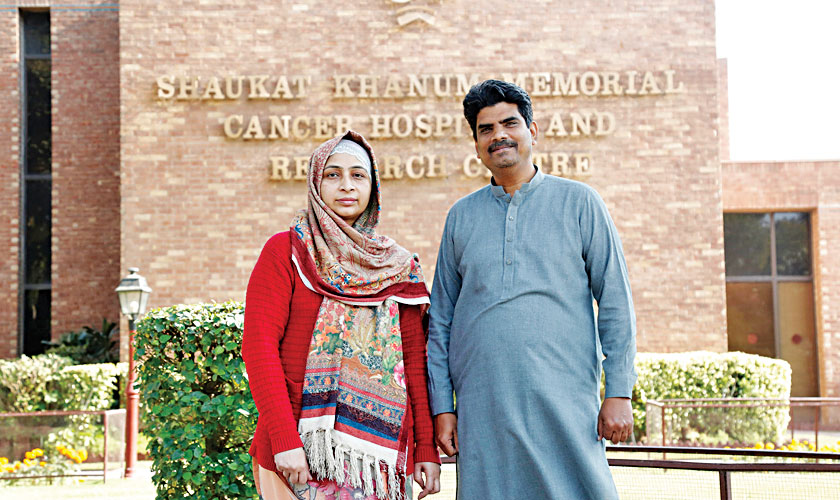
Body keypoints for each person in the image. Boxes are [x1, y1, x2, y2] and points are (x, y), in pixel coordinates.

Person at [426, 79, 637, 499]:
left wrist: (619, 392)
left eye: (510, 123)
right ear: (476, 144)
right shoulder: (460, 218)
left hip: (564, 399)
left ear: (532, 132)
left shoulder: (580, 203)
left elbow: (615, 301)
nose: (499, 135)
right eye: (486, 129)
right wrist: (442, 407)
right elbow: (441, 321)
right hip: (483, 406)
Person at [242, 130, 441, 500]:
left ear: (373, 186)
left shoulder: (398, 267)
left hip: (377, 463)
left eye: (358, 175)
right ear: (316, 183)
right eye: (333, 175)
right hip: (297, 455)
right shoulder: (286, 251)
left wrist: (425, 449)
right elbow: (259, 348)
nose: (346, 186)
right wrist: (285, 439)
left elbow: (414, 365)